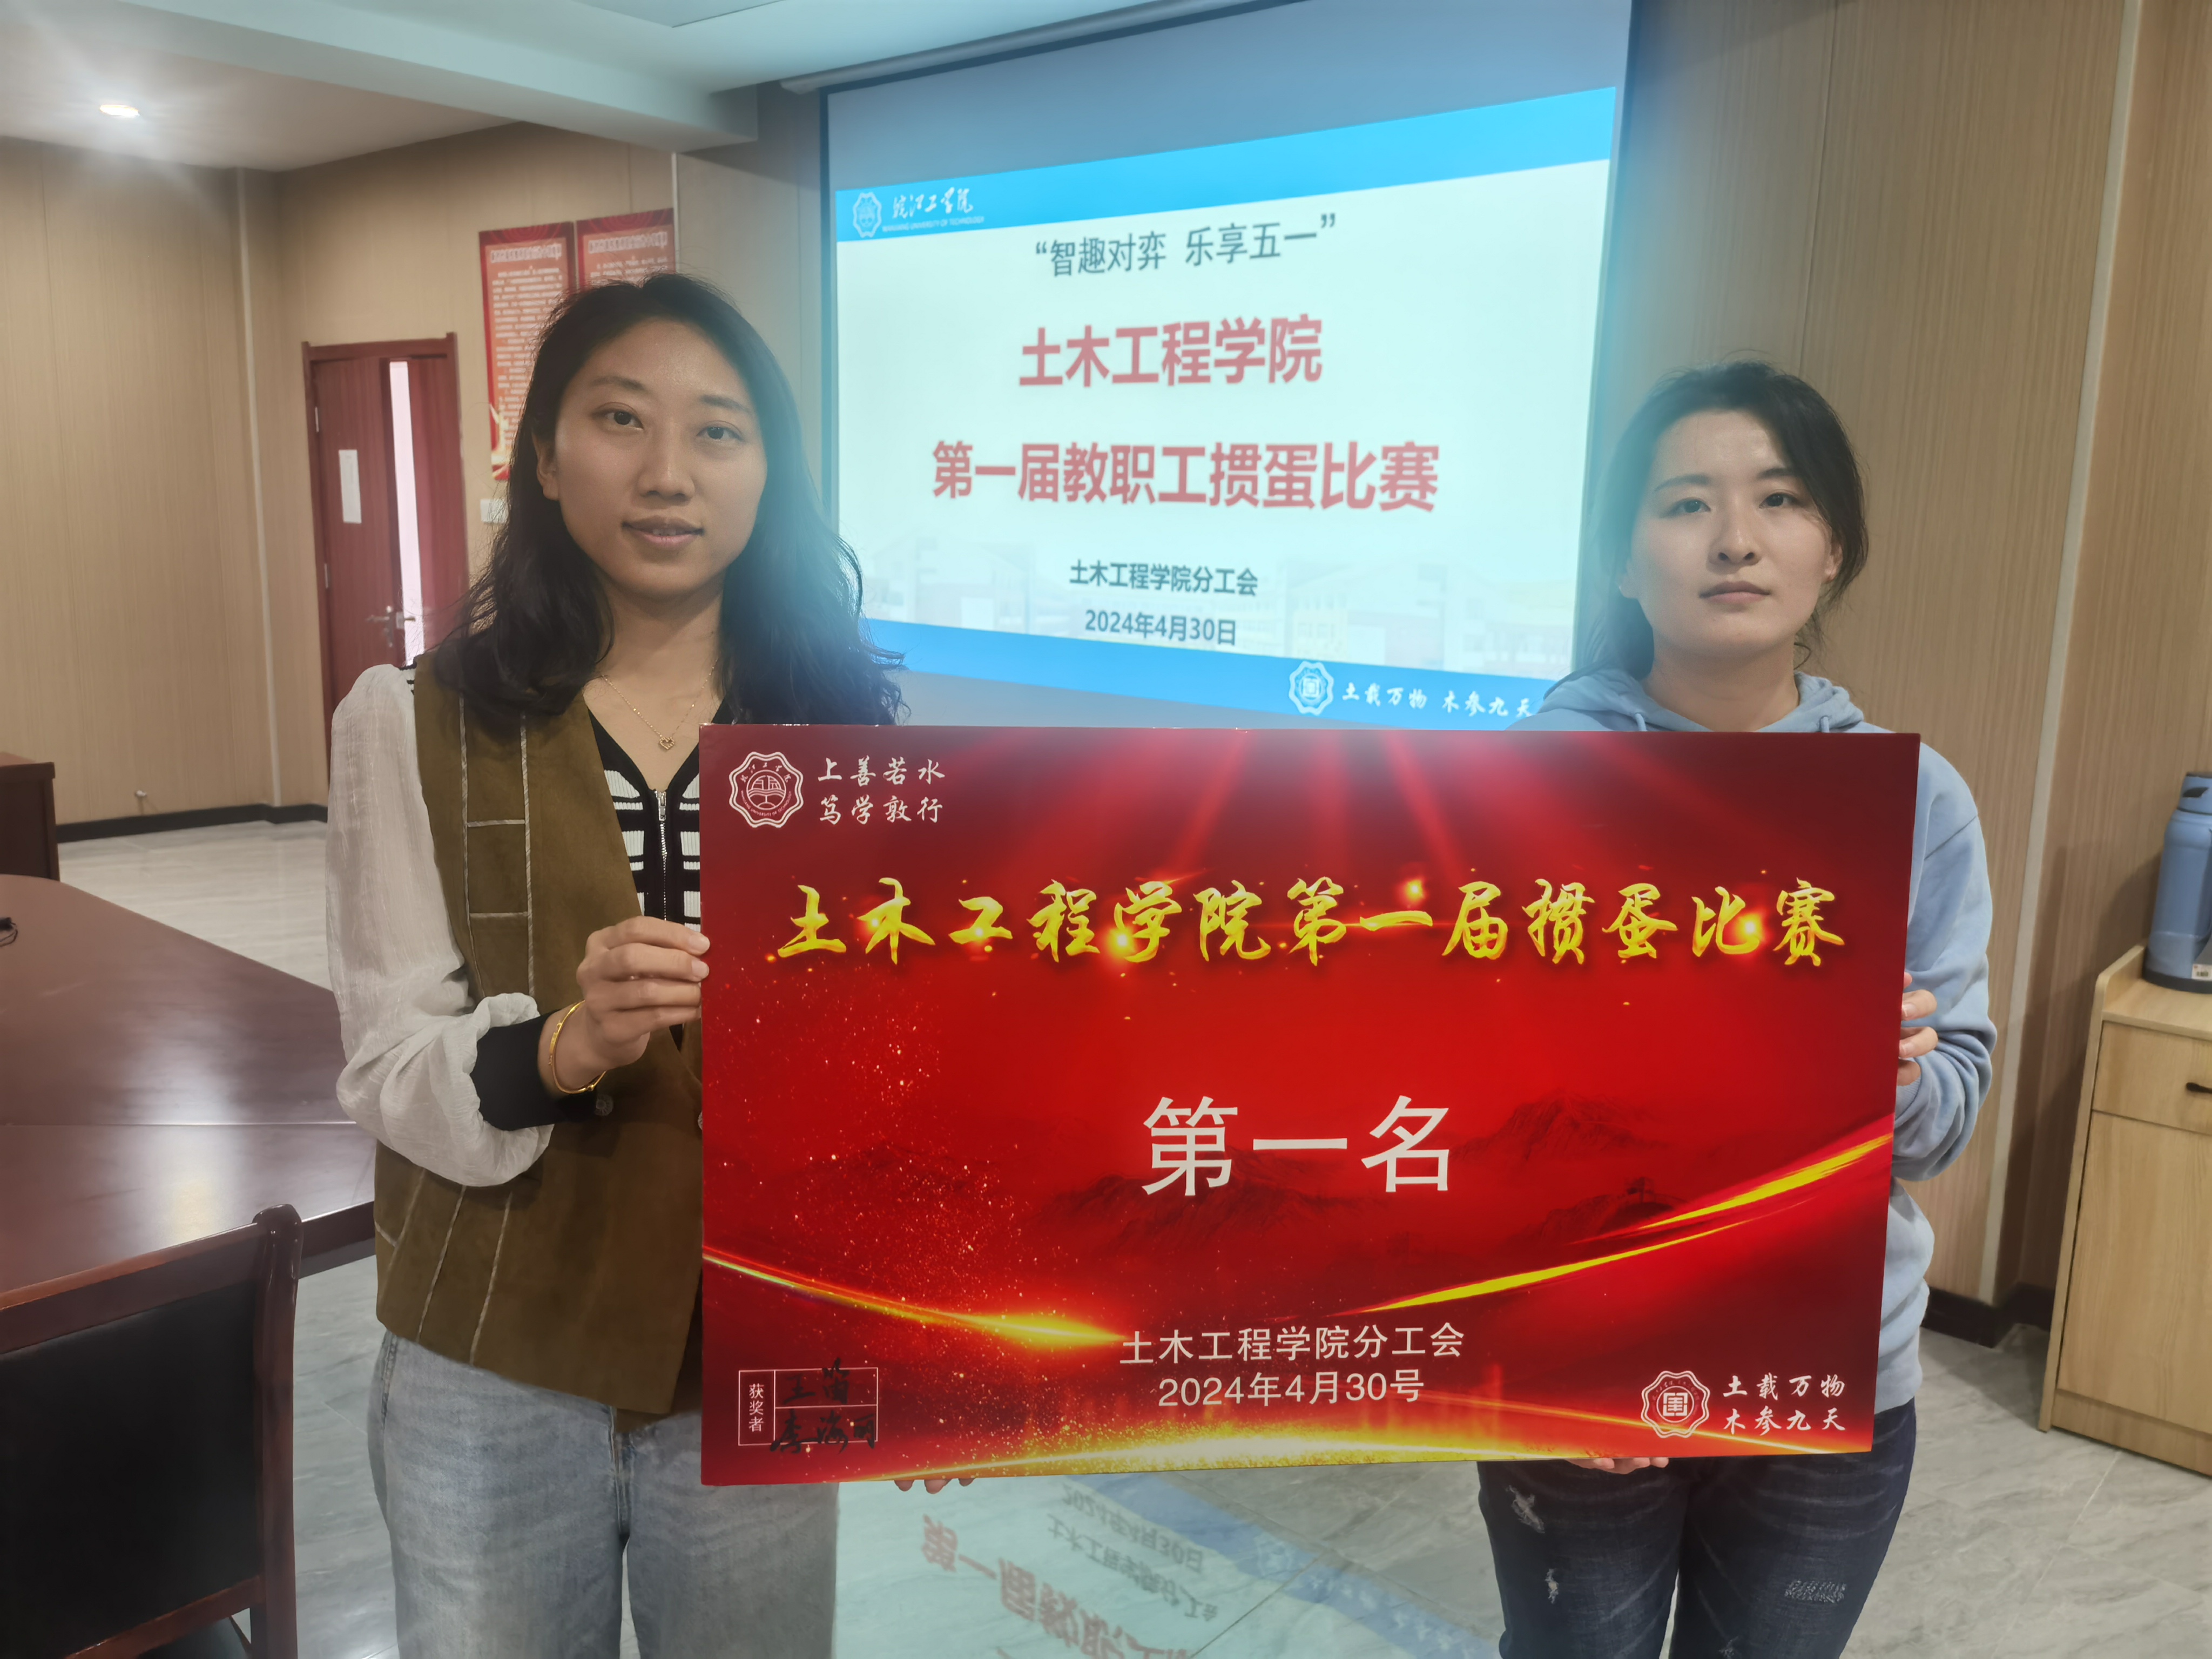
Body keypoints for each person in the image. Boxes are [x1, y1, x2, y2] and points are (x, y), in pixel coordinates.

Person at [326, 273, 900, 1656]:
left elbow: (897, 1076)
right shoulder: (411, 720)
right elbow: (387, 1063)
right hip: (495, 1361)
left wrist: (938, 1345)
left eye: (718, 431)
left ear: (769, 471)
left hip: (756, 1351)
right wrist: (562, 1047)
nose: (667, 474)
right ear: (542, 456)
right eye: (620, 419)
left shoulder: (844, 739)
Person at [1478, 361, 1994, 1657]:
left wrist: (1891, 1074)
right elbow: (1450, 1099)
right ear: (1618, 560)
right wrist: (1533, 1352)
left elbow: (1943, 1123)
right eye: (1682, 503)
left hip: (1824, 1359)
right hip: (1580, 1344)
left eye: (1778, 498)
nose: (1732, 539)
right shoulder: (1517, 787)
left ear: (1833, 548)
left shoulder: (1914, 801)